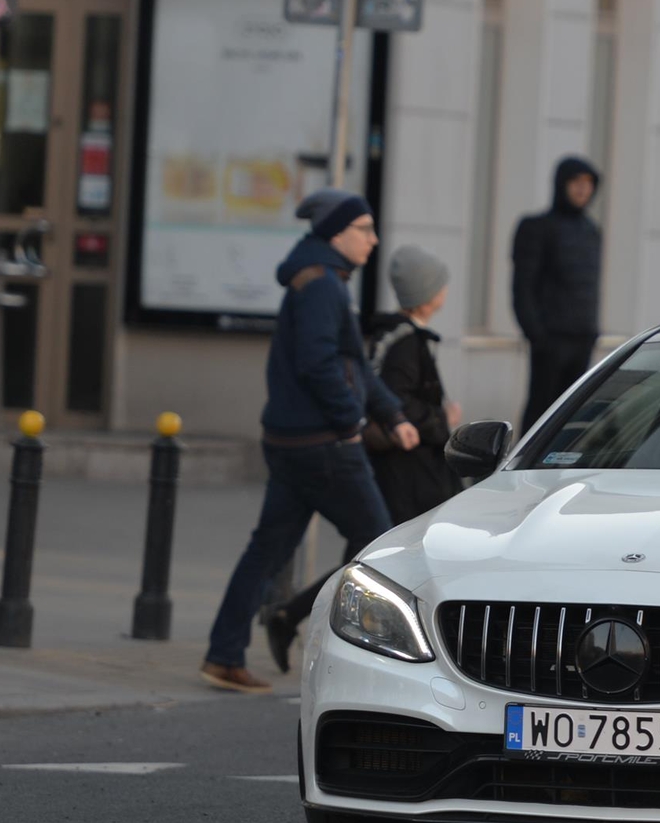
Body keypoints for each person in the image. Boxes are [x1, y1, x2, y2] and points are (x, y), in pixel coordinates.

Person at [200, 192, 420, 695]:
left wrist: (392, 413)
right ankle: (358, 653)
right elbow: (319, 363)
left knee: (267, 550)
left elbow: (355, 364)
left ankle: (224, 654)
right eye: (364, 228)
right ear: (337, 233)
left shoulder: (322, 279)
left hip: (291, 438)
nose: (373, 238)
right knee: (381, 549)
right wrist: (352, 420)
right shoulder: (322, 285)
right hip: (324, 444)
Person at [260, 244, 466, 674]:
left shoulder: (397, 336)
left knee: (372, 557)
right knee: (386, 560)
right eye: (440, 282)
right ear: (430, 293)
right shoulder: (406, 344)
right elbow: (401, 405)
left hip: (405, 470)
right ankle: (317, 626)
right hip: (409, 474)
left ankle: (291, 616)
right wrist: (440, 420)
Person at [512, 156, 604, 427]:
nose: (582, 190)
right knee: (541, 412)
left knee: (572, 417)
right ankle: (524, 467)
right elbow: (522, 286)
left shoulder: (591, 231)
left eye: (588, 184)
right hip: (550, 340)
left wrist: (591, 331)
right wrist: (537, 335)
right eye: (576, 183)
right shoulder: (537, 227)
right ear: (561, 184)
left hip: (582, 338)